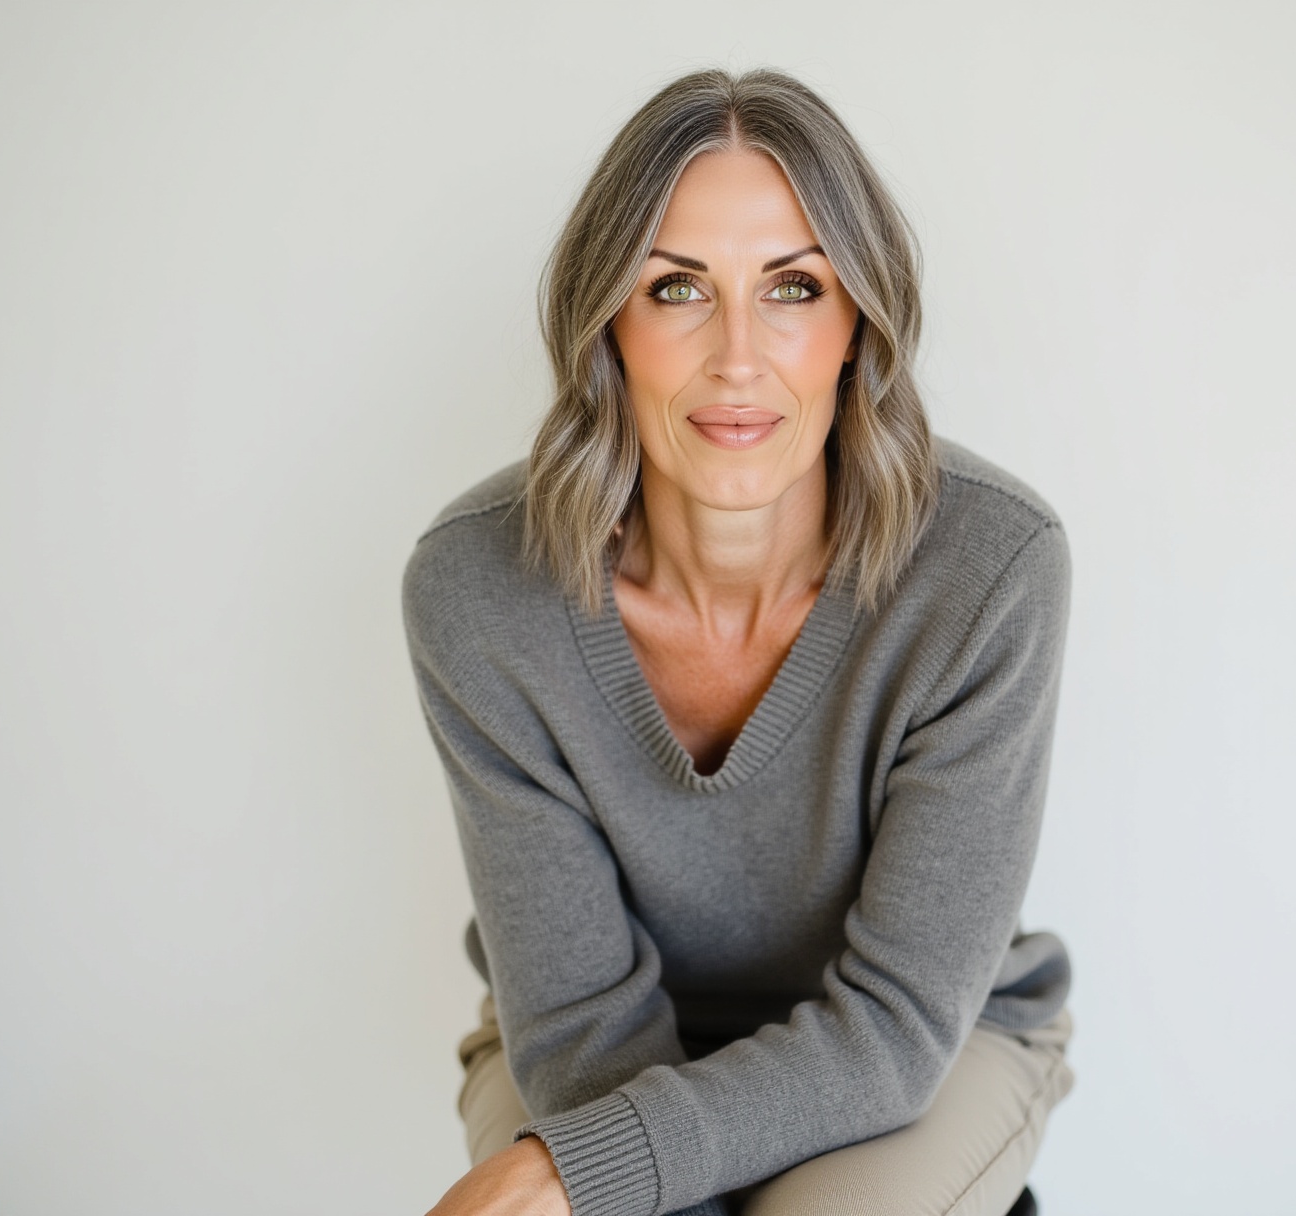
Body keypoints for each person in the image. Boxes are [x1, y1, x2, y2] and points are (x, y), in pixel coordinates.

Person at [401, 66, 1075, 1216]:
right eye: (676, 289)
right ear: (606, 322)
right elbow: (576, 1027)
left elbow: (897, 1028)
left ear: (859, 322)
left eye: (794, 287)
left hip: (926, 1043)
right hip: (587, 1055)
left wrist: (601, 1171)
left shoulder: (988, 568)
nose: (738, 357)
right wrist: (608, 1167)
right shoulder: (479, 588)